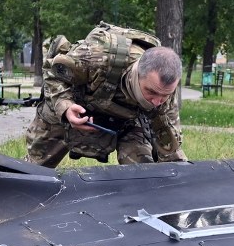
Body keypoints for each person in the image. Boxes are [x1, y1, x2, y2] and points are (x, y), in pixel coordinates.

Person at [26, 22, 186, 167]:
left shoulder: (164, 93)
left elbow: (169, 145)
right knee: (33, 171)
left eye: (164, 95)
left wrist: (181, 177)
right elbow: (52, 72)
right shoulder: (98, 58)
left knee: (144, 175)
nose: (157, 101)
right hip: (76, 103)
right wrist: (65, 107)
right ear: (138, 73)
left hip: (127, 121)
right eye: (151, 91)